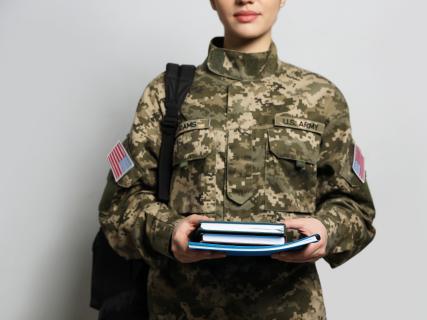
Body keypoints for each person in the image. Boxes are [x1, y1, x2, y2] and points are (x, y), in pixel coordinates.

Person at [98, 0, 376, 319]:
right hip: (181, 309)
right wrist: (169, 233)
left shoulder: (321, 98)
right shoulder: (167, 94)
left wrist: (325, 230)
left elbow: (356, 208)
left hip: (288, 310)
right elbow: (119, 206)